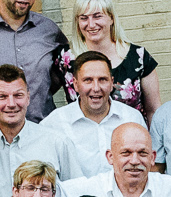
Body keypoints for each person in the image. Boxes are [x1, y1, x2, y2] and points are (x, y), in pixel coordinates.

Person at [54, 0, 160, 120]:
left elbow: (153, 110)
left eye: (97, 16)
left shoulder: (138, 57)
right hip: (82, 136)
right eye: (84, 18)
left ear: (112, 19)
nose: (91, 24)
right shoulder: (66, 58)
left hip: (129, 137)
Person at [42, 53, 144, 184]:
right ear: (76, 84)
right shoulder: (54, 124)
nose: (96, 88)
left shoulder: (132, 118)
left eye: (102, 79)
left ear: (112, 82)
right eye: (88, 80)